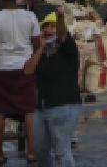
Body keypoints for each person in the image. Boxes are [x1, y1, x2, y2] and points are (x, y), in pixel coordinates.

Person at [0, 0, 41, 165]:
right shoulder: (30, 17)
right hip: (25, 69)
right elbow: (37, 45)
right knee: (28, 110)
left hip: (2, 69)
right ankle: (31, 151)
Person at [31, 11, 81, 167]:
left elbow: (62, 35)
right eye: (45, 27)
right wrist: (40, 49)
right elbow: (28, 71)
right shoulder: (41, 54)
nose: (48, 31)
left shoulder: (68, 49)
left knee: (62, 151)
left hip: (64, 105)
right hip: (42, 107)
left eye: (53, 27)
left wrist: (60, 17)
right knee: (39, 150)